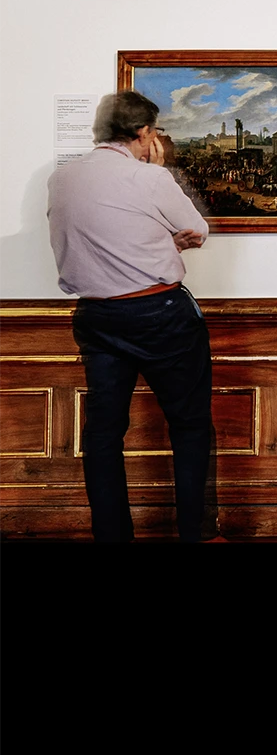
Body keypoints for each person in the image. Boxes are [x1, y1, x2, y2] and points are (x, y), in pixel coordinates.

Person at [46, 91, 214, 542]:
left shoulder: (61, 178)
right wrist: (158, 182)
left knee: (104, 432)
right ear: (143, 133)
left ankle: (112, 537)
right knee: (191, 424)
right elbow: (197, 230)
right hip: (160, 313)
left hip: (96, 317)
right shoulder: (150, 179)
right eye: (152, 131)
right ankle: (194, 534)